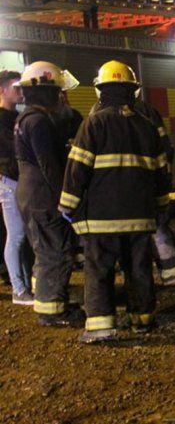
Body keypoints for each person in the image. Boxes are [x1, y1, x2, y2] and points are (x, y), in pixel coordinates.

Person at [59, 60, 170, 343]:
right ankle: (143, 321)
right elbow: (162, 173)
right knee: (139, 271)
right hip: (140, 217)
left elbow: (77, 170)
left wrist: (67, 207)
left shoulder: (93, 124)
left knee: (99, 271)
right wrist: (161, 207)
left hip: (101, 219)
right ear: (133, 91)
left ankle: (101, 328)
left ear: (101, 91)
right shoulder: (147, 126)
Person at [89, 87, 175, 294]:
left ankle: (132, 288)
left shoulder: (96, 114)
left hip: (114, 192)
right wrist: (162, 180)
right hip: (144, 185)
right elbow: (165, 149)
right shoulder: (146, 111)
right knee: (157, 229)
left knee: (128, 238)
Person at [13, 61, 82, 326]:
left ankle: (49, 300)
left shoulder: (27, 118)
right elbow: (50, 167)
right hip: (43, 197)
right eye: (56, 92)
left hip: (31, 194)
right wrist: (67, 199)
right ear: (45, 92)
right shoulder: (39, 122)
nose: (60, 97)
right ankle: (53, 312)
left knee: (44, 250)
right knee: (55, 251)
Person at [0, 70, 34, 305]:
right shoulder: (3, 119)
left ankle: (23, 285)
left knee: (22, 236)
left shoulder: (16, 117)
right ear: (2, 90)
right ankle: (19, 289)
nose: (20, 92)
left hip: (18, 180)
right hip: (8, 181)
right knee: (16, 236)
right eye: (15, 87)